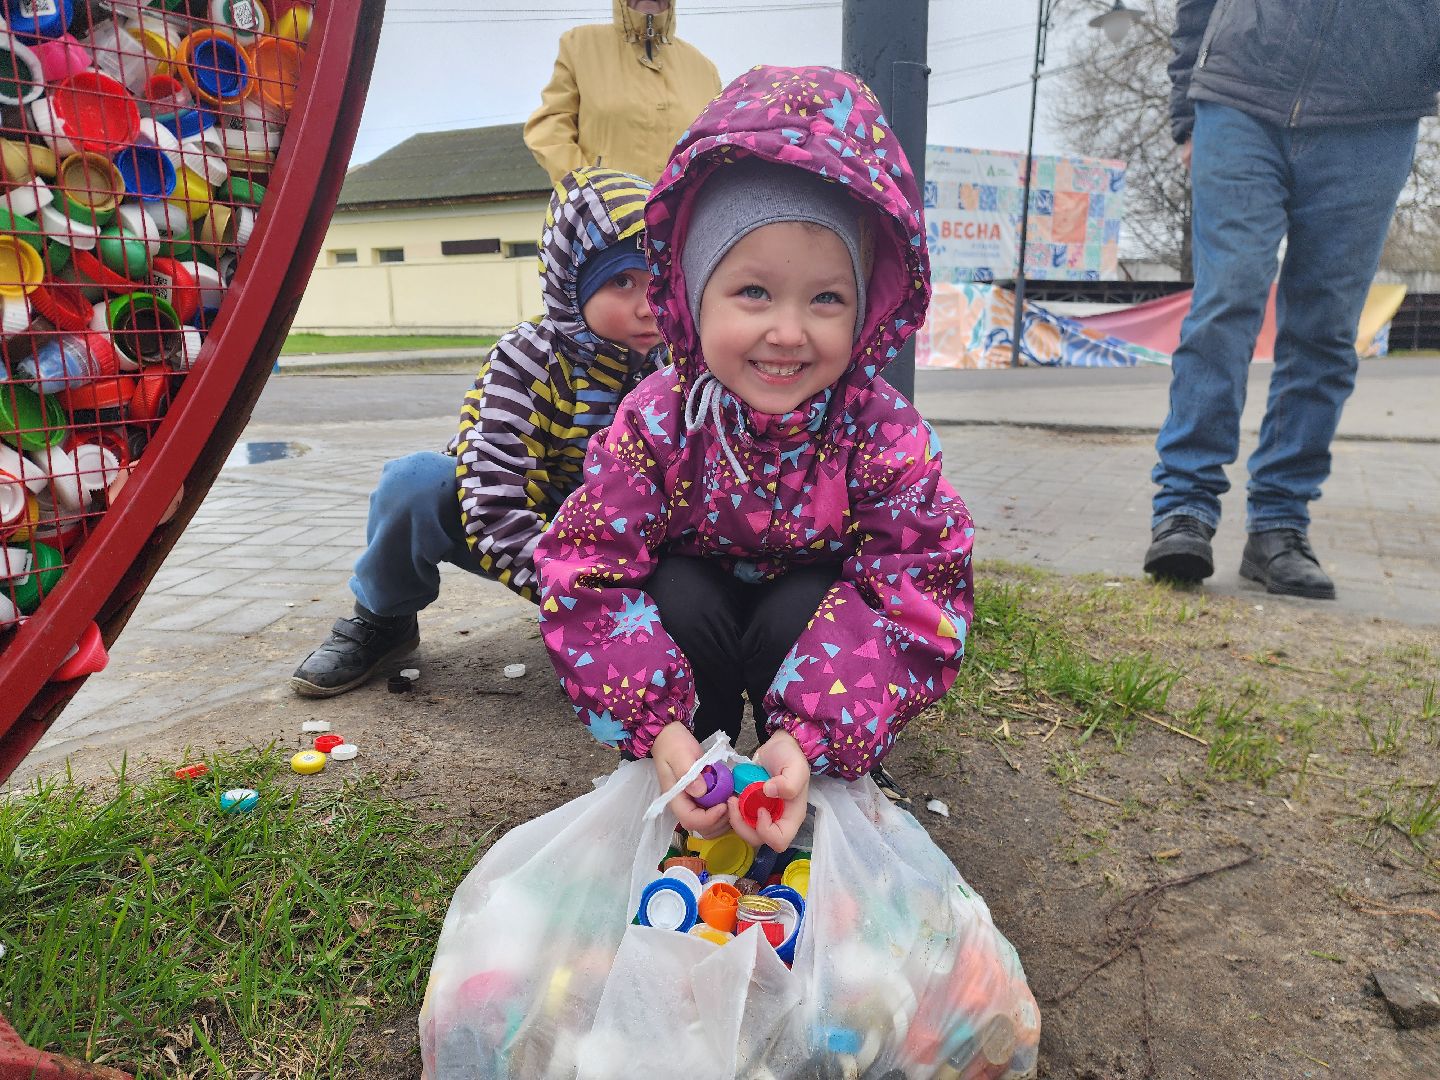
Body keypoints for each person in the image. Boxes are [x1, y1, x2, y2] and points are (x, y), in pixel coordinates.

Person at [535, 66, 974, 851]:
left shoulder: (882, 432)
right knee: (676, 588)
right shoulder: (657, 421)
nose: (789, 332)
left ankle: (805, 773)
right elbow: (585, 572)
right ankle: (688, 771)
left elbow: (919, 591)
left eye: (827, 298)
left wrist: (810, 738)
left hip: (807, 646)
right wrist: (658, 729)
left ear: (865, 309)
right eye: (753, 293)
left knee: (803, 601)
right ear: (691, 296)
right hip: (692, 637)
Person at [290, 168, 666, 698]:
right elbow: (492, 498)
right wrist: (571, 595)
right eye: (621, 281)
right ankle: (383, 617)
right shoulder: (527, 359)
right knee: (416, 481)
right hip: (521, 522)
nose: (649, 305)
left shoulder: (683, 364)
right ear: (572, 281)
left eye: (659, 278)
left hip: (624, 537)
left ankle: (671, 622)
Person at [1144, 0, 1439, 599]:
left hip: (1373, 119)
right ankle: (1184, 507)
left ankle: (1279, 523)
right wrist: (1186, 112)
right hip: (1240, 94)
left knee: (1326, 329)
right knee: (1226, 300)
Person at [524, 0, 721, 185]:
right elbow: (550, 131)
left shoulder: (704, 70)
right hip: (603, 208)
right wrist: (589, 189)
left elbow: (717, 151)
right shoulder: (580, 46)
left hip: (683, 210)